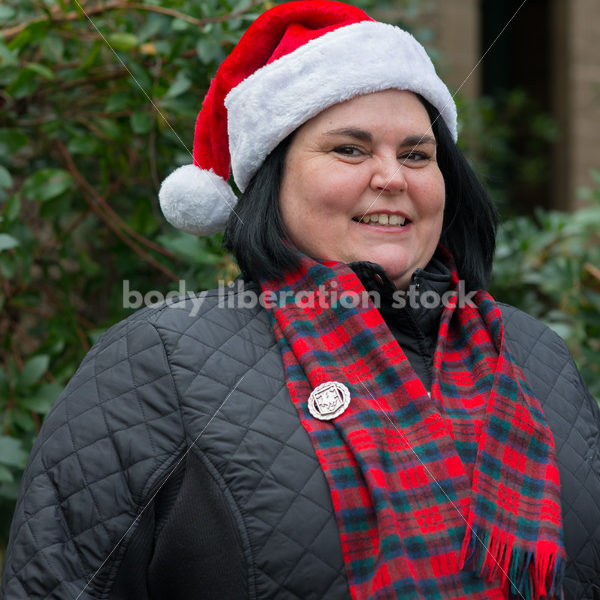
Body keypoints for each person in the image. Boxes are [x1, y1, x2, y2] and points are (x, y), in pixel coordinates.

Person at [2, 2, 599, 599]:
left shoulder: (536, 355)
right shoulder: (158, 361)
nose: (393, 176)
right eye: (350, 149)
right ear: (274, 179)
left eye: (417, 154)